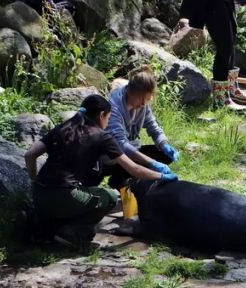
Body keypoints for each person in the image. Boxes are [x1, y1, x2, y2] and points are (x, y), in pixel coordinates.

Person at [24, 94, 177, 250]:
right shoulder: (102, 136)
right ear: (102, 115)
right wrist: (162, 176)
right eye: (108, 118)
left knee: (74, 196)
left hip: (39, 195)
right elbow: (134, 169)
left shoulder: (62, 128)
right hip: (65, 195)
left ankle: (43, 226)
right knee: (109, 197)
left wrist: (34, 180)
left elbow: (30, 155)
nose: (108, 122)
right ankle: (74, 234)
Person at [92, 66, 181, 191]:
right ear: (129, 92)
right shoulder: (113, 108)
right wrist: (152, 163)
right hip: (112, 157)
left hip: (132, 149)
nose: (144, 104)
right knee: (144, 161)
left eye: (147, 100)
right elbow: (121, 146)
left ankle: (121, 179)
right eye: (141, 99)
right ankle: (120, 179)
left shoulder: (142, 105)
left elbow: (153, 126)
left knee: (163, 155)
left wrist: (164, 144)